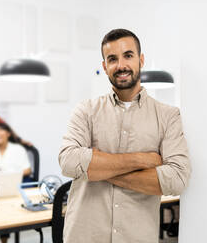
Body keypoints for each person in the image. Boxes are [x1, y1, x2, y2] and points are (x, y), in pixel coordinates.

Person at [58, 28, 191, 243]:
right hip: (84, 236)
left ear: (141, 60)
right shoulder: (86, 111)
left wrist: (97, 169)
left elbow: (176, 179)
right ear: (105, 66)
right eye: (112, 59)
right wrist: (142, 160)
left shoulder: (168, 116)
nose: (121, 65)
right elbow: (68, 161)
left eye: (128, 56)